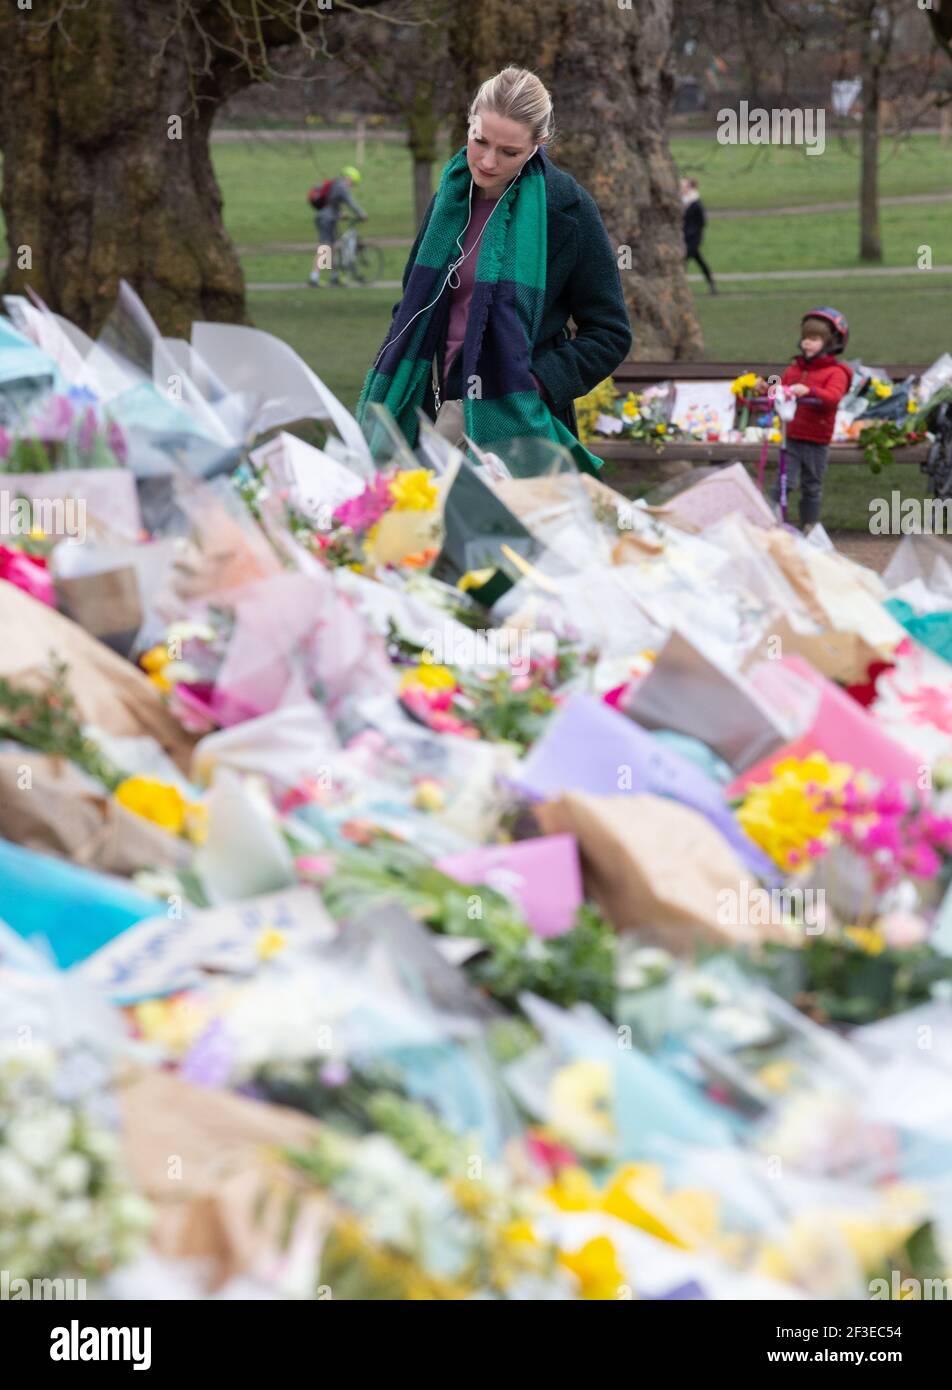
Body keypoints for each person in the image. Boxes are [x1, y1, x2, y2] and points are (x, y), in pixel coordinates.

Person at [356, 66, 632, 474]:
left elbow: (610, 333)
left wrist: (533, 385)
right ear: (469, 122)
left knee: (509, 538)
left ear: (538, 144)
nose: (486, 161)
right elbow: (411, 306)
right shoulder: (449, 199)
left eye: (509, 152)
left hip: (517, 421)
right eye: (479, 141)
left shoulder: (567, 210)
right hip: (425, 408)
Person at [756, 307, 852, 531]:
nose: (807, 343)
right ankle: (769, 523)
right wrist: (766, 386)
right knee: (784, 482)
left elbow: (833, 397)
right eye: (806, 338)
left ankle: (809, 525)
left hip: (817, 439)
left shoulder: (836, 372)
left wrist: (809, 391)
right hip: (792, 437)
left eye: (815, 339)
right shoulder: (794, 368)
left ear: (831, 343)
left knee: (812, 484)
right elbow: (780, 386)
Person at [309, 166, 367, 288]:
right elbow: (350, 202)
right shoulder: (341, 186)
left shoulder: (335, 185)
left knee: (333, 247)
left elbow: (332, 204)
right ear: (348, 177)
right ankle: (314, 277)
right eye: (352, 182)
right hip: (326, 219)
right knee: (324, 248)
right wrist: (361, 213)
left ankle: (334, 276)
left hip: (327, 217)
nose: (351, 185)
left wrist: (339, 214)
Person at [681, 178, 716, 295]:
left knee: (682, 262)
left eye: (684, 186)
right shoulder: (684, 202)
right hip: (685, 238)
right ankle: (712, 284)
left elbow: (701, 222)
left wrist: (692, 232)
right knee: (700, 262)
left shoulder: (696, 203)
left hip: (694, 239)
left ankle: (680, 288)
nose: (681, 188)